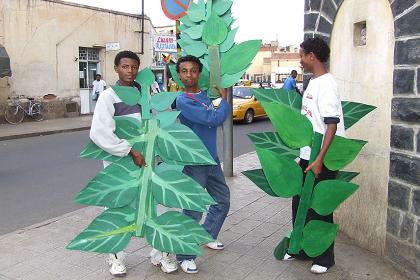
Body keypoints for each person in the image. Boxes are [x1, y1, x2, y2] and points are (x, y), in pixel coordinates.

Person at [89, 50, 178, 276]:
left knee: (156, 207)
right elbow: (99, 133)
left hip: (148, 163)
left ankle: (160, 254)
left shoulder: (145, 94)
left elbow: (155, 124)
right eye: (125, 66)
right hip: (120, 166)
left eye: (134, 67)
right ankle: (116, 258)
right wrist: (129, 151)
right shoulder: (110, 96)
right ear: (116, 69)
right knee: (117, 209)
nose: (130, 71)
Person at [283, 38, 345, 274]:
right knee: (300, 202)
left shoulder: (327, 84)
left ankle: (324, 258)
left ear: (311, 56)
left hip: (322, 157)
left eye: (301, 55)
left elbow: (331, 125)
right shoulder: (313, 82)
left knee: (320, 207)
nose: (299, 60)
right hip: (309, 155)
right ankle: (300, 248)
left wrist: (319, 159)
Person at [173, 55, 231, 274]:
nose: (189, 75)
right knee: (193, 209)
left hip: (212, 159)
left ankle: (207, 236)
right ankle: (184, 255)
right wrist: (224, 101)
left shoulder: (204, 95)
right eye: (184, 71)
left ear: (199, 73)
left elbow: (212, 114)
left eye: (194, 70)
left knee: (222, 200)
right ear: (179, 75)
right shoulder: (182, 100)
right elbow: (212, 119)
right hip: (194, 161)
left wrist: (216, 103)